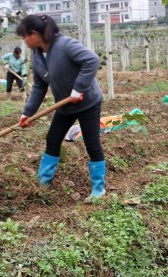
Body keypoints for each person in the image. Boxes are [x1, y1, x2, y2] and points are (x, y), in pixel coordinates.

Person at [16, 14, 106, 201]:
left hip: (88, 102)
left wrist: (78, 88)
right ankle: (43, 183)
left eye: (25, 36)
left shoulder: (65, 45)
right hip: (65, 106)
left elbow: (92, 60)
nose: (24, 41)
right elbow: (40, 86)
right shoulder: (37, 56)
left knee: (92, 144)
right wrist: (28, 113)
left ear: (35, 34)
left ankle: (99, 190)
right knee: (53, 139)